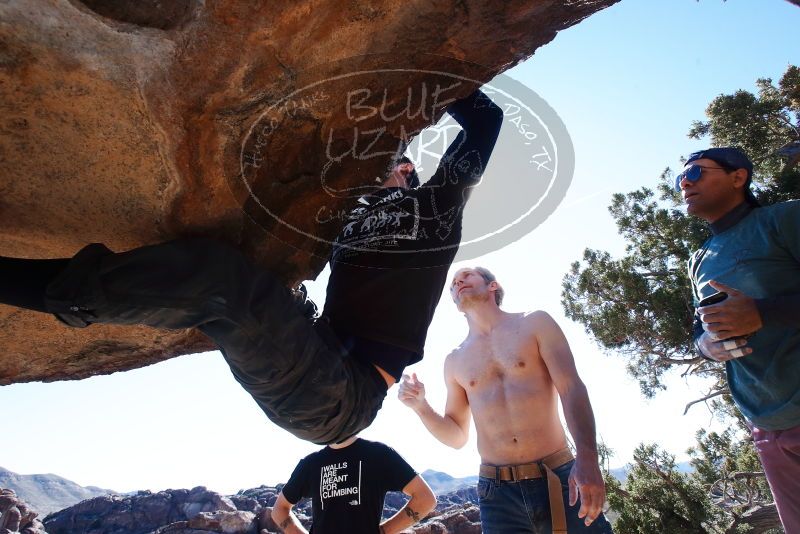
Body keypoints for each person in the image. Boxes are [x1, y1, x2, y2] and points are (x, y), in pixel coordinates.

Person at [0, 88, 503, 445]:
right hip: (314, 355)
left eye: (386, 162)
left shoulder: (434, 210)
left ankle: (36, 286)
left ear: (408, 170)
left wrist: (426, 81)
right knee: (223, 282)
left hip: (339, 397)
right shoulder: (352, 217)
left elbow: (487, 122)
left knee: (222, 285)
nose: (370, 171)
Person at [398, 267, 612, 533]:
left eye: (466, 275)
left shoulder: (535, 324)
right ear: (455, 303)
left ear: (493, 286)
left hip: (560, 478)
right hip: (497, 494)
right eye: (453, 283)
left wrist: (588, 457)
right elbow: (456, 436)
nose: (458, 281)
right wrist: (421, 407)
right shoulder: (455, 361)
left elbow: (571, 388)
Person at [680, 146, 800, 532]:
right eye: (679, 177)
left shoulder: (784, 219)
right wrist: (706, 346)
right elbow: (701, 329)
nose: (684, 182)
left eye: (696, 173)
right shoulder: (698, 259)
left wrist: (762, 311)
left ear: (738, 177)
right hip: (767, 427)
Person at [271, 435, 436, 534]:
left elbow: (425, 499)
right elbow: (279, 510)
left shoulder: (379, 454)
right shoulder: (311, 464)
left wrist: (385, 530)